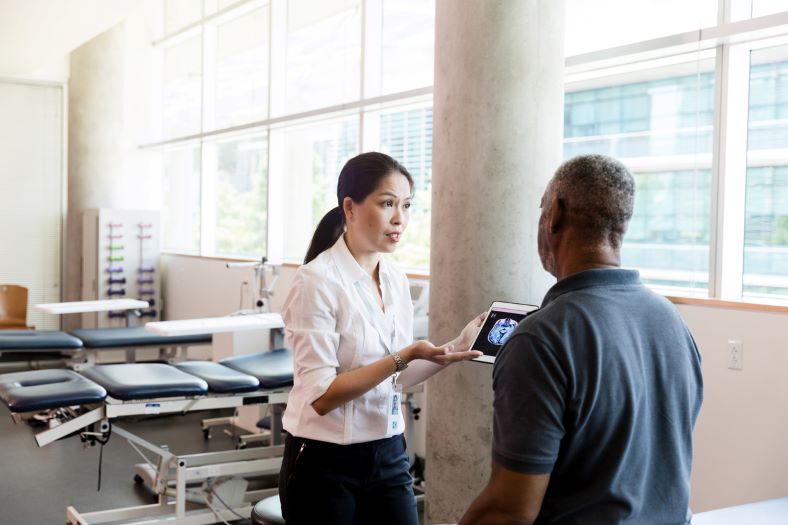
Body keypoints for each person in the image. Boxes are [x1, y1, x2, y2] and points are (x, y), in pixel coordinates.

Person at [460, 154, 704, 525]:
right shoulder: (670, 320)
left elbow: (509, 510)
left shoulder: (540, 340)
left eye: (542, 208)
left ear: (555, 213)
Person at [279, 151, 484, 525]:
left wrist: (454, 346)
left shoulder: (395, 279)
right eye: (387, 203)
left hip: (388, 452)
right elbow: (322, 398)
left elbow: (397, 379)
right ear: (350, 207)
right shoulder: (316, 281)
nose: (399, 219)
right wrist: (403, 356)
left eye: (406, 205)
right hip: (325, 462)